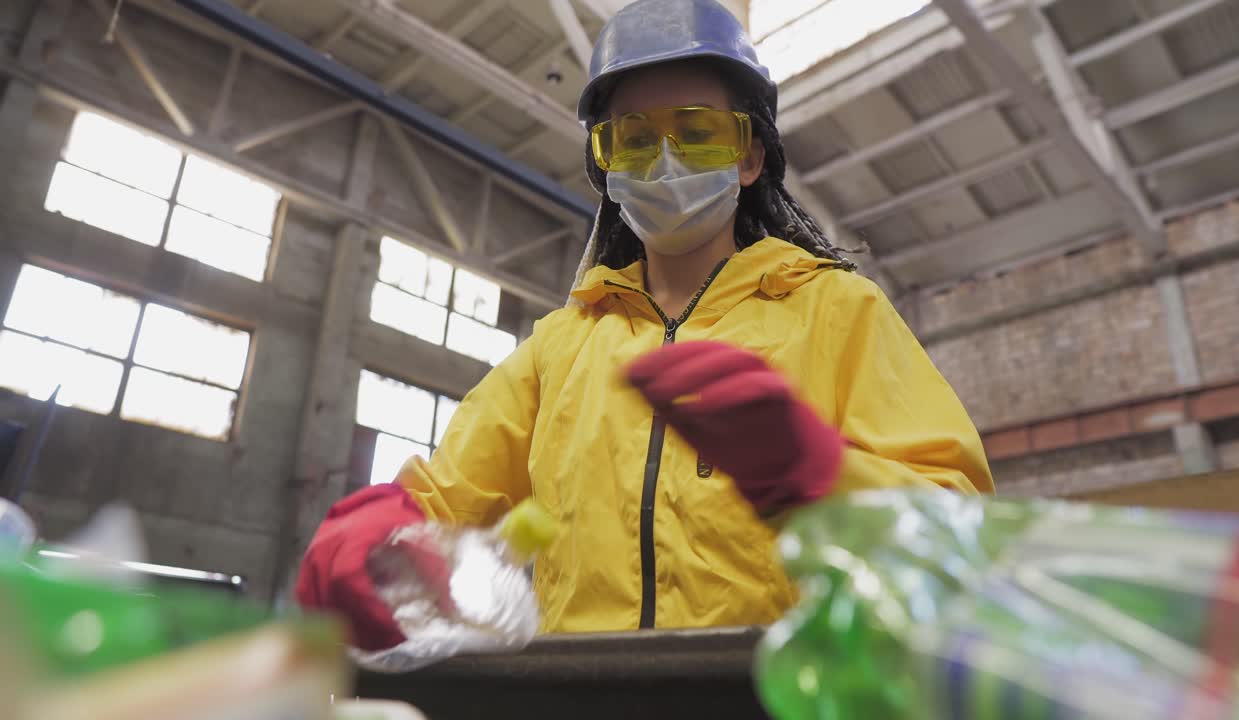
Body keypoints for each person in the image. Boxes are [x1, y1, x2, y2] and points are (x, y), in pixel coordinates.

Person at [295, 0, 994, 651]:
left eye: (697, 132)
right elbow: (439, 502)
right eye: (632, 139)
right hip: (585, 693)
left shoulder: (839, 311)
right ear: (606, 165)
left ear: (749, 156)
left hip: (768, 690)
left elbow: (959, 531)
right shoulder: (560, 348)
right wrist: (373, 537)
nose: (662, 161)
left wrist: (822, 478)